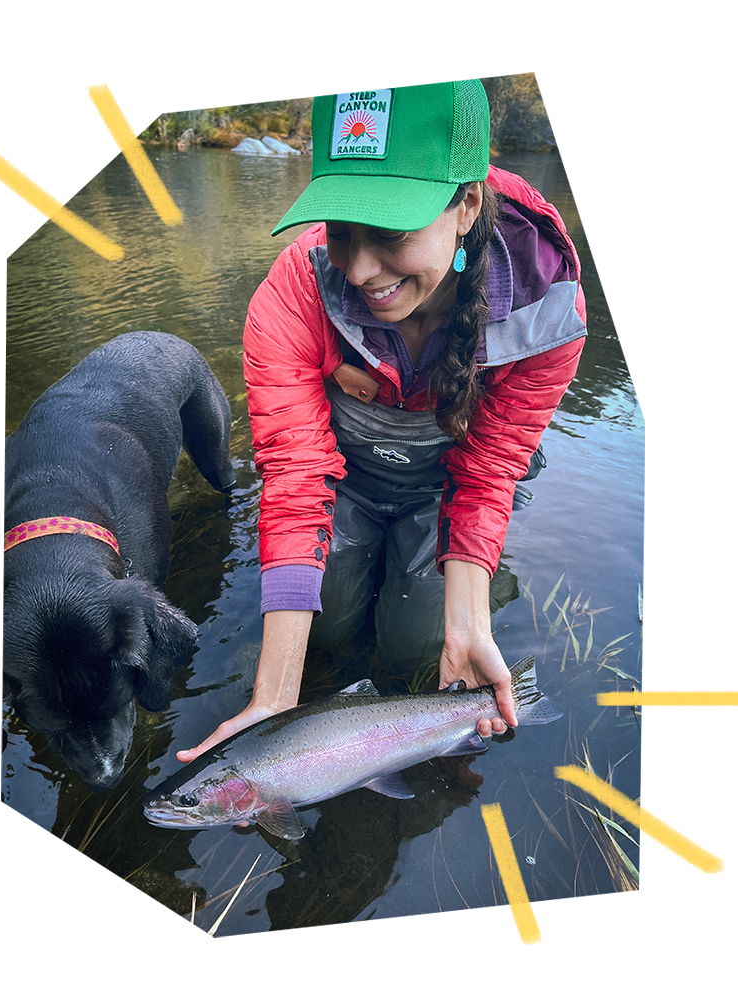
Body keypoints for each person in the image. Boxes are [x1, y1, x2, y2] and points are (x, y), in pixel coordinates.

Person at [178, 72, 587, 763]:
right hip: (348, 477)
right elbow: (295, 473)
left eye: (392, 232)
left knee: (416, 643)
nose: (360, 269)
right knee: (326, 628)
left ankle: (469, 593)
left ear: (466, 205)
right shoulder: (295, 287)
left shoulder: (546, 311)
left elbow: (490, 469)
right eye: (341, 229)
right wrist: (276, 697)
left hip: (445, 487)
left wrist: (467, 622)